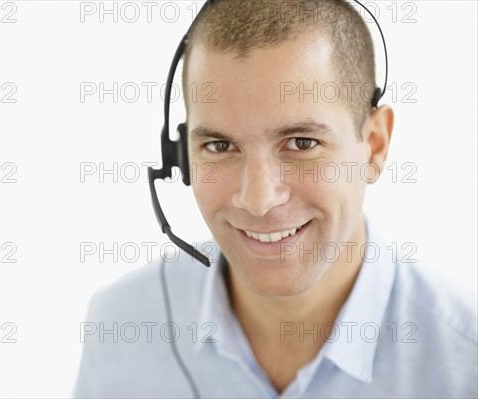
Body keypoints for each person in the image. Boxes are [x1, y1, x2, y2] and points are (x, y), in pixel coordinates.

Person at [75, 1, 477, 397]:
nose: (259, 200)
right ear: (180, 157)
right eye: (219, 145)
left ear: (373, 146)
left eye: (302, 143)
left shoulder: (464, 360)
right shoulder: (120, 326)